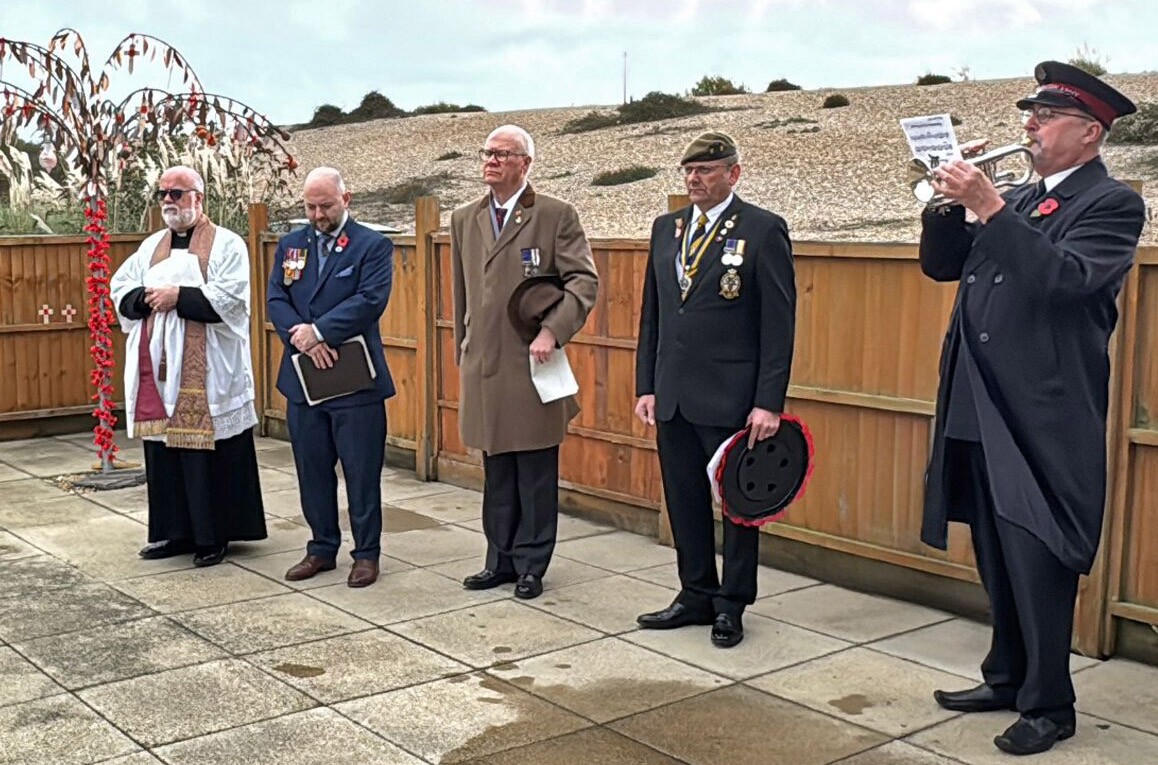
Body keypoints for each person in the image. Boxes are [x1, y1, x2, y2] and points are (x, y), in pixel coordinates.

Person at [919, 61, 1145, 756]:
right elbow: (942, 265)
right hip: (979, 396)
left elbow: (1065, 281)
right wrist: (945, 202)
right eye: (1031, 115)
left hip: (1040, 412)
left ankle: (1050, 705)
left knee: (1038, 556)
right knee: (994, 548)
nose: (1030, 127)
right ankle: (1007, 676)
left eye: (1045, 117)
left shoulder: (1112, 203)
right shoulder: (1018, 198)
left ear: (1088, 132)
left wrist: (989, 206)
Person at [633, 131, 796, 649]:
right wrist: (646, 385)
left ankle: (732, 604)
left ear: (733, 173)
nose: (694, 179)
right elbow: (654, 315)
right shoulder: (668, 228)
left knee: (739, 505)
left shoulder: (761, 229)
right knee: (683, 500)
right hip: (675, 394)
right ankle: (695, 593)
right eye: (688, 171)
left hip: (732, 396)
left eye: (705, 170)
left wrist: (768, 401)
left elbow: (778, 325)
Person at [450, 124, 598, 600]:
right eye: (487, 152)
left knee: (534, 470)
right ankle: (499, 560)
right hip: (485, 364)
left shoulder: (554, 215)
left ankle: (532, 564)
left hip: (533, 362)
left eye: (502, 154)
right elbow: (462, 294)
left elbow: (583, 282)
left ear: (525, 164)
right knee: (497, 469)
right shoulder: (465, 218)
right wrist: (463, 349)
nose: (491, 161)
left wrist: (553, 330)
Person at [111, 165, 266, 567]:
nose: (168, 200)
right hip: (161, 373)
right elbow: (121, 287)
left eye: (177, 193)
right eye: (163, 193)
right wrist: (145, 299)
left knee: (210, 454)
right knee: (164, 452)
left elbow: (232, 300)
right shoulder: (151, 246)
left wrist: (178, 296)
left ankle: (215, 534)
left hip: (210, 369)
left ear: (198, 197)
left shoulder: (227, 244)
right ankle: (175, 531)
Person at [268, 167, 395, 588]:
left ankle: (366, 554)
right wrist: (303, 338)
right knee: (312, 470)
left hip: (354, 381)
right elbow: (277, 298)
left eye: (325, 206)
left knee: (361, 473)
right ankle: (321, 547)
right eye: (310, 207)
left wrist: (320, 331)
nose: (318, 215)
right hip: (304, 381)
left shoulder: (371, 246)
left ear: (346, 199)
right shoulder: (291, 245)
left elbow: (370, 299)